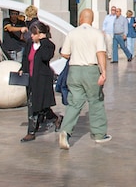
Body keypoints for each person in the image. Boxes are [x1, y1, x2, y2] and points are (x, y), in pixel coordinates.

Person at [58, 8, 111, 149]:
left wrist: (76, 55)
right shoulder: (97, 34)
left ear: (80, 19)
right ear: (91, 19)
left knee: (74, 103)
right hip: (91, 69)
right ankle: (99, 134)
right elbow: (101, 53)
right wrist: (103, 72)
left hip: (74, 70)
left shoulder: (72, 33)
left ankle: (65, 131)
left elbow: (64, 53)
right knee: (96, 101)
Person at [19, 21, 60, 142]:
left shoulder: (48, 45)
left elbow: (45, 57)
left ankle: (33, 131)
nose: (31, 36)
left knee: (39, 104)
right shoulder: (29, 44)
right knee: (34, 104)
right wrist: (22, 69)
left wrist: (41, 43)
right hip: (31, 78)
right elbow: (26, 58)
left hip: (42, 79)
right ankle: (52, 120)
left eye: (34, 33)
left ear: (41, 34)